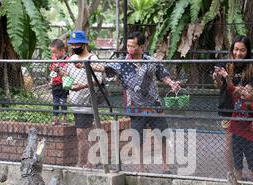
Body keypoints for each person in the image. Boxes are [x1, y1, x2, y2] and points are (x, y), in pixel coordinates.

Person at [78, 31, 181, 172]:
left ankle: (165, 165)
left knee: (162, 135)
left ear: (141, 46)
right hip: (134, 107)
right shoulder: (122, 63)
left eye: (132, 46)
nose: (129, 48)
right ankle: (140, 167)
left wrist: (172, 84)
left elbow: (162, 75)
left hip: (154, 105)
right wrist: (86, 65)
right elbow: (103, 68)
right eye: (128, 45)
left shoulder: (150, 61)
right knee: (137, 138)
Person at [213, 35, 253, 176]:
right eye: (236, 49)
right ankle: (232, 174)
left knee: (247, 144)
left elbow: (251, 91)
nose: (238, 53)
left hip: (245, 111)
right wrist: (216, 78)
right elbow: (220, 86)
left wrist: (242, 89)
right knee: (230, 143)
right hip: (228, 108)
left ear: (248, 51)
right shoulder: (225, 62)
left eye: (242, 50)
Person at [62, 30, 101, 168]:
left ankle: (85, 162)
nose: (74, 47)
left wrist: (83, 86)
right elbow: (67, 74)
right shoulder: (72, 59)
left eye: (77, 44)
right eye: (72, 45)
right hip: (76, 102)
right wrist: (65, 79)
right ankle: (86, 161)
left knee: (83, 133)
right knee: (83, 133)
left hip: (88, 102)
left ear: (84, 44)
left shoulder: (92, 59)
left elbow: (99, 80)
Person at [49, 39, 70, 126]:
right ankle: (55, 118)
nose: (54, 55)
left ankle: (64, 118)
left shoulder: (68, 60)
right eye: (53, 53)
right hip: (55, 83)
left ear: (63, 51)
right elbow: (52, 71)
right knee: (55, 101)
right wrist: (51, 80)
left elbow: (68, 73)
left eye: (56, 52)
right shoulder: (53, 59)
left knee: (63, 101)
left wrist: (59, 70)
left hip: (64, 83)